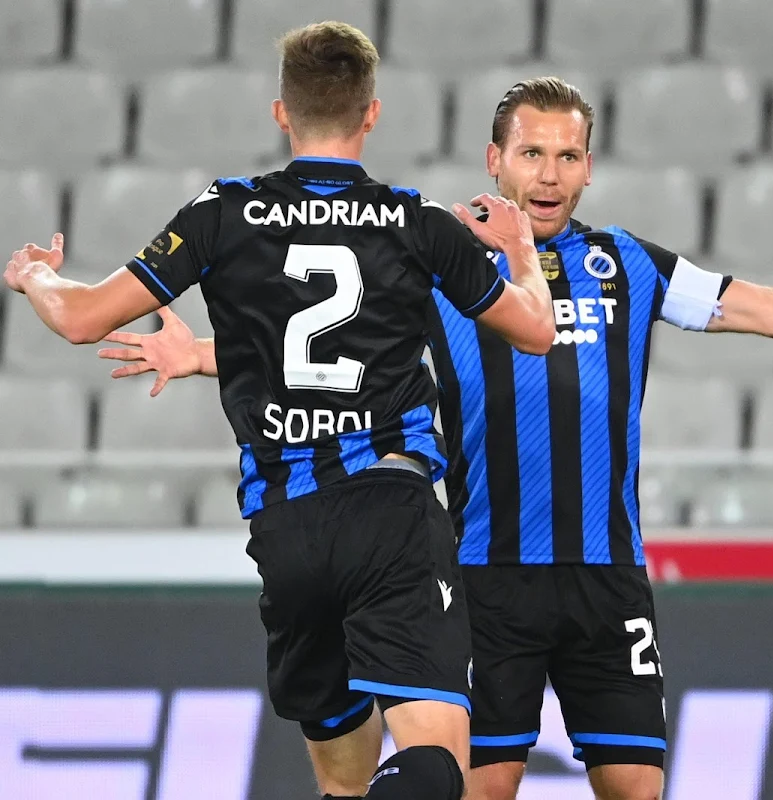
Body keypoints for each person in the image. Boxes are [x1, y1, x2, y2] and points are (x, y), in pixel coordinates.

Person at [98, 77, 773, 800]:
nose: (549, 173)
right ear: (496, 159)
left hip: (609, 577)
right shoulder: (450, 265)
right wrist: (205, 355)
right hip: (485, 577)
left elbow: (760, 306)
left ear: (588, 168)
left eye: (568, 155)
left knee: (636, 785)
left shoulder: (628, 266)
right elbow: (335, 351)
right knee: (480, 785)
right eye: (532, 152)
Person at [5, 22, 556, 800]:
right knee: (435, 766)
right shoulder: (416, 223)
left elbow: (80, 318)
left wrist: (35, 278)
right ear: (371, 113)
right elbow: (536, 331)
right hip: (390, 510)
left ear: (281, 113)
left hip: (288, 528)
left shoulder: (221, 215)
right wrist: (523, 251)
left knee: (340, 780)